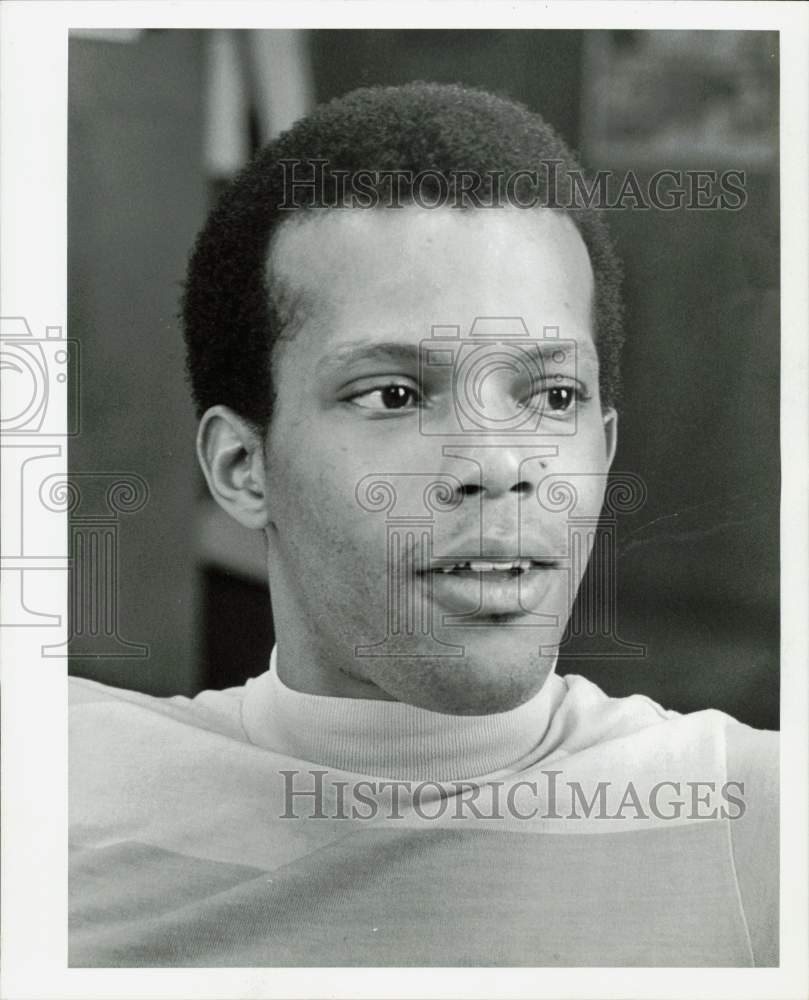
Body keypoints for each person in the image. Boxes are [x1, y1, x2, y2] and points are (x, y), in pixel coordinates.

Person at [69, 82, 778, 967]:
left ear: (601, 448)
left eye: (551, 396)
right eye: (395, 395)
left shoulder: (749, 821)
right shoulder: (63, 795)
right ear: (241, 468)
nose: (495, 462)